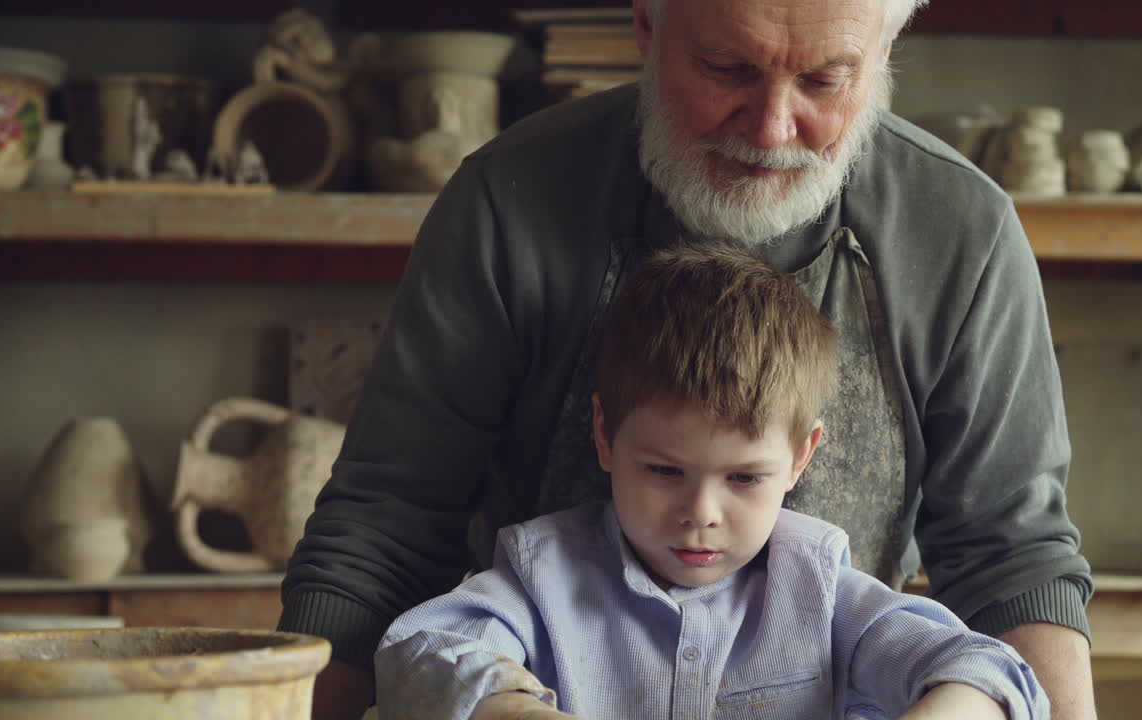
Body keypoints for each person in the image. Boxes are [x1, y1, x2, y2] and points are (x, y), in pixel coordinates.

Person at [279, 1, 1097, 718]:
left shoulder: (960, 232)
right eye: (728, 67)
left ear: (884, 53)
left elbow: (1012, 563)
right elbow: (381, 541)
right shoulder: (507, 203)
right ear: (646, 22)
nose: (773, 129)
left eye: (824, 80)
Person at [374, 243, 1050, 720]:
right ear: (605, 435)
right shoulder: (543, 576)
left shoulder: (823, 590)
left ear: (801, 458)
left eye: (745, 478)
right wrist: (515, 712)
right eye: (665, 470)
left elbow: (993, 673)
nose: (701, 512)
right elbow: (416, 654)